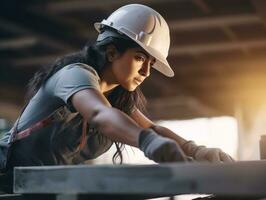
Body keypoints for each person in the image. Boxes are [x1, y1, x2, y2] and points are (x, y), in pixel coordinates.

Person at [0, 3, 234, 192]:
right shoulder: (75, 75)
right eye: (140, 58)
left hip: (36, 187)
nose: (147, 72)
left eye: (151, 63)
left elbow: (151, 128)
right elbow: (99, 114)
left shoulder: (115, 97)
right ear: (112, 52)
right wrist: (147, 143)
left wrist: (197, 151)